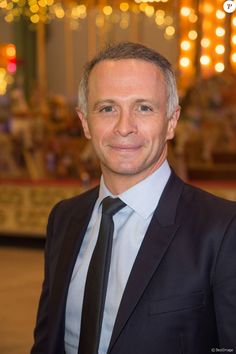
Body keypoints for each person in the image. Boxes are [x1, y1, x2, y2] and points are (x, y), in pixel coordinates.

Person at [31, 42, 236, 354]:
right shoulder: (64, 218)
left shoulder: (222, 229)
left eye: (144, 107)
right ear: (85, 122)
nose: (124, 127)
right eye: (107, 108)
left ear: (171, 121)